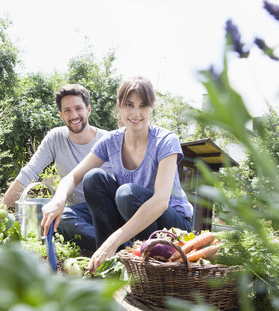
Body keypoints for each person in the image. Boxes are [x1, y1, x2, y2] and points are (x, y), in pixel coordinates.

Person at [41, 76, 193, 273]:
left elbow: (160, 202)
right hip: (132, 220)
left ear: (151, 108)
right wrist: (58, 199)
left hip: (173, 227)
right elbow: (74, 176)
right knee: (94, 178)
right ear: (119, 106)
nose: (136, 113)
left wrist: (114, 239)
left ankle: (140, 260)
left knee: (127, 194)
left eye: (143, 105)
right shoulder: (111, 141)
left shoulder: (165, 141)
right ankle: (109, 261)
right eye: (129, 105)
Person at [1, 83, 113, 251]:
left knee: (94, 177)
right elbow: (30, 172)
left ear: (88, 110)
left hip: (107, 210)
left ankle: (112, 241)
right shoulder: (55, 138)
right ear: (61, 115)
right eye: (67, 110)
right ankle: (117, 247)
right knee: (60, 219)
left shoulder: (109, 140)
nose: (74, 115)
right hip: (77, 213)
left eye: (78, 108)